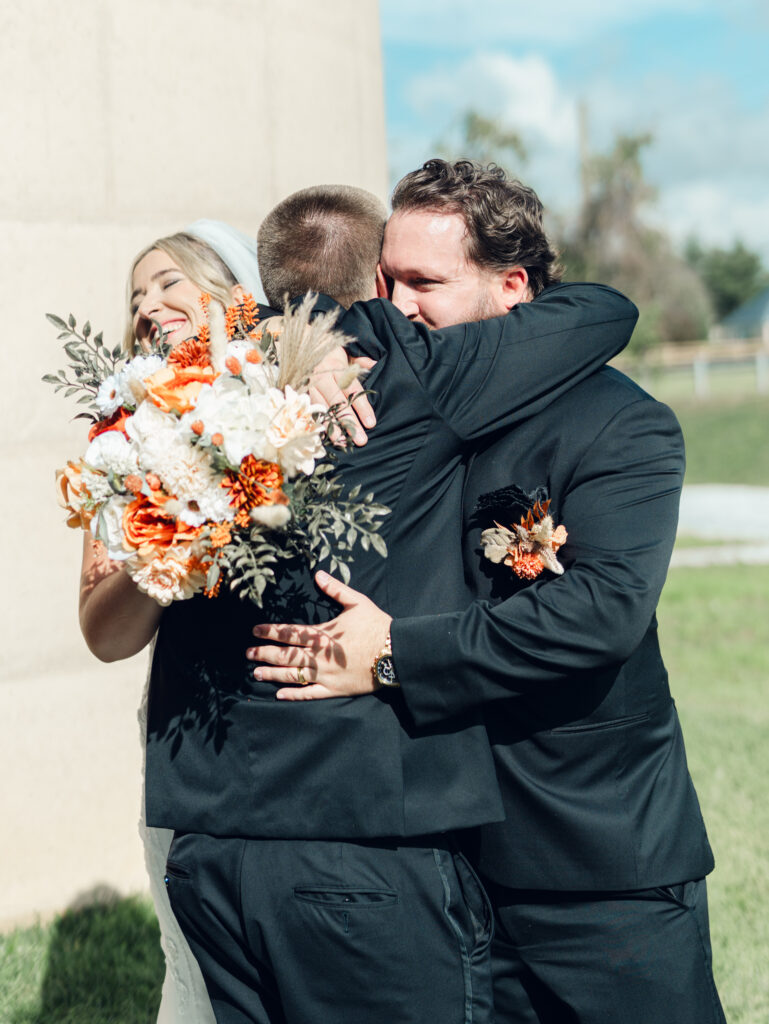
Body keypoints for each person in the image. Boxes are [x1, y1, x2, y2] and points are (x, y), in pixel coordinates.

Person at [134, 185, 637, 1024]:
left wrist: (281, 327)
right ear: (375, 278)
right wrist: (350, 331)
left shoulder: (183, 391)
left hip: (207, 848)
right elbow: (603, 313)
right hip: (357, 842)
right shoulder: (403, 362)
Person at [251, 160, 726, 1024]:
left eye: (423, 283)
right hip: (431, 864)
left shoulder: (622, 424)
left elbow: (598, 613)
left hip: (595, 860)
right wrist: (299, 349)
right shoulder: (374, 387)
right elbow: (267, 313)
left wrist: (396, 653)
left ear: (513, 287)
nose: (391, 306)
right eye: (384, 281)